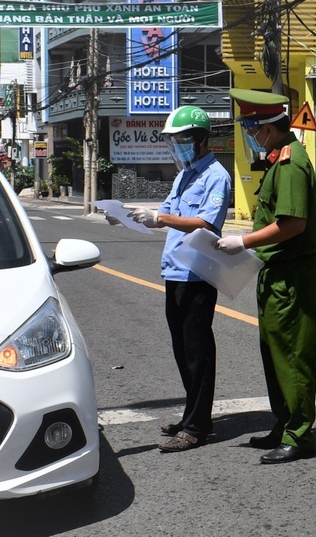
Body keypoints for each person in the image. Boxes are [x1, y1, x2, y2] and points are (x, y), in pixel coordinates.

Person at [110, 106, 232, 452]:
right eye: (173, 140)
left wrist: (160, 217)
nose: (176, 145)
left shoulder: (215, 176)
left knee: (198, 351)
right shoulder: (184, 175)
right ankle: (192, 415)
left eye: (181, 139)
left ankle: (197, 426)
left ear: (200, 139)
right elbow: (166, 213)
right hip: (175, 270)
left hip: (198, 272)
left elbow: (206, 223)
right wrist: (129, 217)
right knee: (181, 349)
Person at [215, 88, 316, 464]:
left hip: (292, 274)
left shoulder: (291, 163)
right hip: (276, 274)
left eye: (249, 126)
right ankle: (284, 423)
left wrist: (242, 241)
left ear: (266, 128)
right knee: (275, 353)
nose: (248, 134)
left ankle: (299, 435)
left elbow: (292, 224)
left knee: (293, 354)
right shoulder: (277, 160)